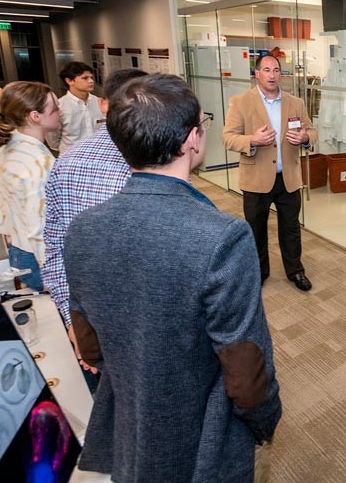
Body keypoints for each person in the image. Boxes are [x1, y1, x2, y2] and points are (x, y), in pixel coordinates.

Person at [66, 74, 281, 483]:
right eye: (204, 123)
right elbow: (246, 367)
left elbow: (90, 345)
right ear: (191, 140)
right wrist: (264, 422)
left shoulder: (83, 228)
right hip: (204, 432)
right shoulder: (223, 237)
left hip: (132, 422)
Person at [42, 68, 146, 377]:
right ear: (104, 105)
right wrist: (73, 323)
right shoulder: (70, 165)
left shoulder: (159, 155)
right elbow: (56, 251)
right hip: (102, 315)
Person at [222, 54, 317, 291]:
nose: (272, 75)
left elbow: (312, 131)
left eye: (276, 70)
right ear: (257, 74)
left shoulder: (296, 103)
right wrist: (252, 140)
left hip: (288, 177)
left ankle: (295, 270)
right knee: (255, 229)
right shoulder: (240, 102)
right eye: (266, 70)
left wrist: (305, 137)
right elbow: (228, 137)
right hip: (256, 178)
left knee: (291, 228)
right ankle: (258, 272)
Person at [0, 81, 61, 292]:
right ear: (35, 116)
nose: (60, 112)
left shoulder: (6, 147)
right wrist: (52, 273)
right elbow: (39, 223)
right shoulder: (34, 161)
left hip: (19, 250)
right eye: (55, 109)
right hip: (38, 258)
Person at [49, 61, 104, 154]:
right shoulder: (59, 106)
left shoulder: (99, 103)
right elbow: (53, 139)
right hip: (71, 160)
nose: (91, 81)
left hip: (99, 157)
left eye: (91, 77)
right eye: (85, 78)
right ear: (69, 81)